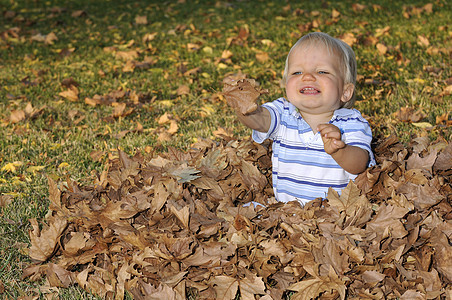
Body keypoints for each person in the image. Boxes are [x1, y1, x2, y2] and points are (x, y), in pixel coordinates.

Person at [230, 32, 375, 205]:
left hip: (333, 215)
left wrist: (339, 150)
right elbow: (258, 120)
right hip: (287, 213)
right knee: (247, 213)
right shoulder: (283, 113)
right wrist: (242, 106)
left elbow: (359, 164)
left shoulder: (351, 122)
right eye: (297, 72)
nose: (307, 77)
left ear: (345, 91)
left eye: (322, 71)